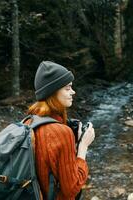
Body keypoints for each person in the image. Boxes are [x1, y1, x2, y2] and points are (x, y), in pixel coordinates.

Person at [27, 61, 95, 200]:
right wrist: (82, 147)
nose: (73, 92)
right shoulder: (61, 132)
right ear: (53, 91)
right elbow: (72, 189)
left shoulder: (30, 121)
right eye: (67, 88)